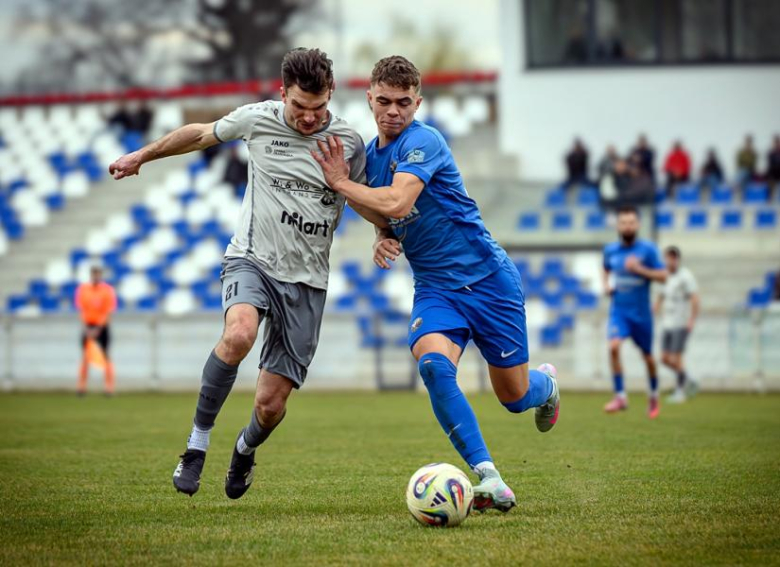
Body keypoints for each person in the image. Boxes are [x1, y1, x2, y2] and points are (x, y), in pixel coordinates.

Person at [109, 48, 378, 499]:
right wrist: (143, 155)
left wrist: (381, 233)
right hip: (251, 259)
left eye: (317, 108)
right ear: (282, 93)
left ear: (331, 93)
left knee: (270, 406)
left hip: (307, 281)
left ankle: (244, 448)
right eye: (299, 106)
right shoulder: (258, 119)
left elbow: (365, 198)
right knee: (238, 335)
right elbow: (200, 134)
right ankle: (196, 445)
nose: (308, 117)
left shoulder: (348, 142)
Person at [312, 55, 560, 513]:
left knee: (514, 397)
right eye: (384, 101)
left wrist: (340, 183)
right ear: (369, 99)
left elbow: (397, 199)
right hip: (435, 288)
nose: (393, 111)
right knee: (432, 366)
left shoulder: (424, 140)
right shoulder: (370, 157)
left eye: (403, 103)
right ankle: (489, 477)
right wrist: (381, 234)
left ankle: (546, 386)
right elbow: (383, 210)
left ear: (418, 103)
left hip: (489, 280)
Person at [602, 206, 667, 418]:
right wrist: (606, 285)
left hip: (641, 313)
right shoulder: (611, 250)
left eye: (631, 222)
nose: (627, 226)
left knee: (648, 357)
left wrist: (639, 269)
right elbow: (605, 267)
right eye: (623, 222)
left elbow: (663, 276)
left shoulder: (648, 250)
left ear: (637, 225)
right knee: (613, 347)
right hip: (619, 311)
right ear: (618, 226)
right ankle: (620, 396)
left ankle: (654, 394)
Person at [654, 246, 699, 403]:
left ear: (677, 259)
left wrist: (692, 319)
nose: (669, 261)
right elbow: (660, 296)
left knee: (677, 358)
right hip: (667, 323)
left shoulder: (685, 276)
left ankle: (680, 391)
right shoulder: (664, 276)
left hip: (681, 322)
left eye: (672, 258)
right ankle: (688, 378)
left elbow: (694, 299)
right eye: (667, 258)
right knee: (664, 358)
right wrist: (655, 308)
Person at [75, 265, 117, 396]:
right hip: (88, 326)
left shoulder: (107, 290)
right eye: (94, 273)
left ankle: (109, 388)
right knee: (86, 357)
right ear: (91, 275)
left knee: (105, 356)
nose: (95, 276)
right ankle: (81, 387)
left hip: (102, 327)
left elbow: (108, 312)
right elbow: (81, 310)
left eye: (97, 273)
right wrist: (86, 328)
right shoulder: (83, 289)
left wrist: (98, 328)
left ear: (100, 275)